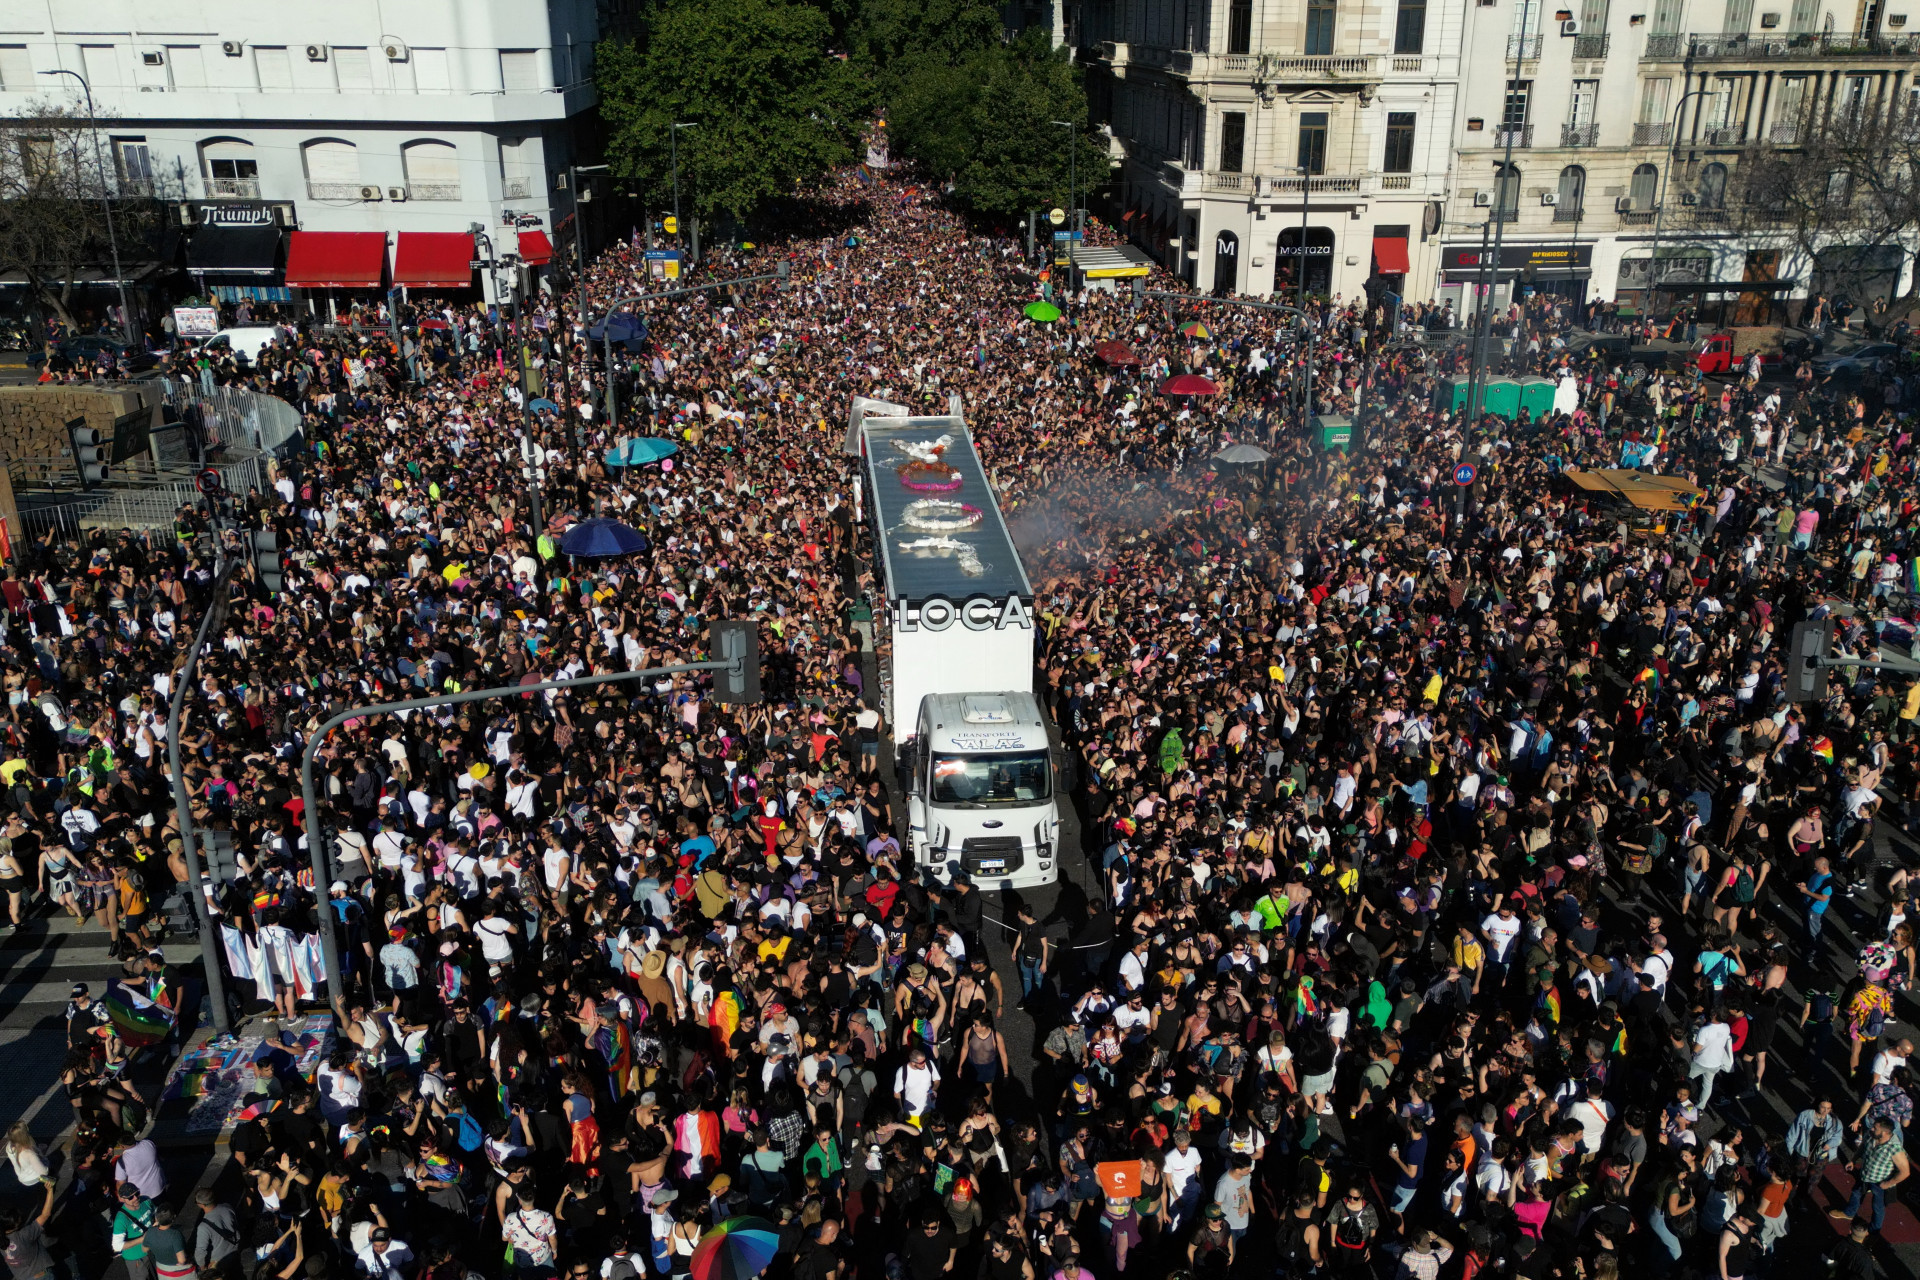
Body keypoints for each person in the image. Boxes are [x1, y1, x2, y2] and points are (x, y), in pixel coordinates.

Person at [1829, 1116, 1910, 1232]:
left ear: (1885, 1132)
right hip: (1865, 1175)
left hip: (1880, 1182)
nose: (1871, 1129)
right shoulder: (1871, 1135)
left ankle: (1874, 1230)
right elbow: (1862, 1147)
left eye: (1875, 1128)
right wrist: (1853, 1159)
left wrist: (1888, 1184)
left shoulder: (1895, 1149)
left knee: (1878, 1207)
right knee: (1856, 1193)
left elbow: (1905, 1172)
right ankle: (1849, 1213)